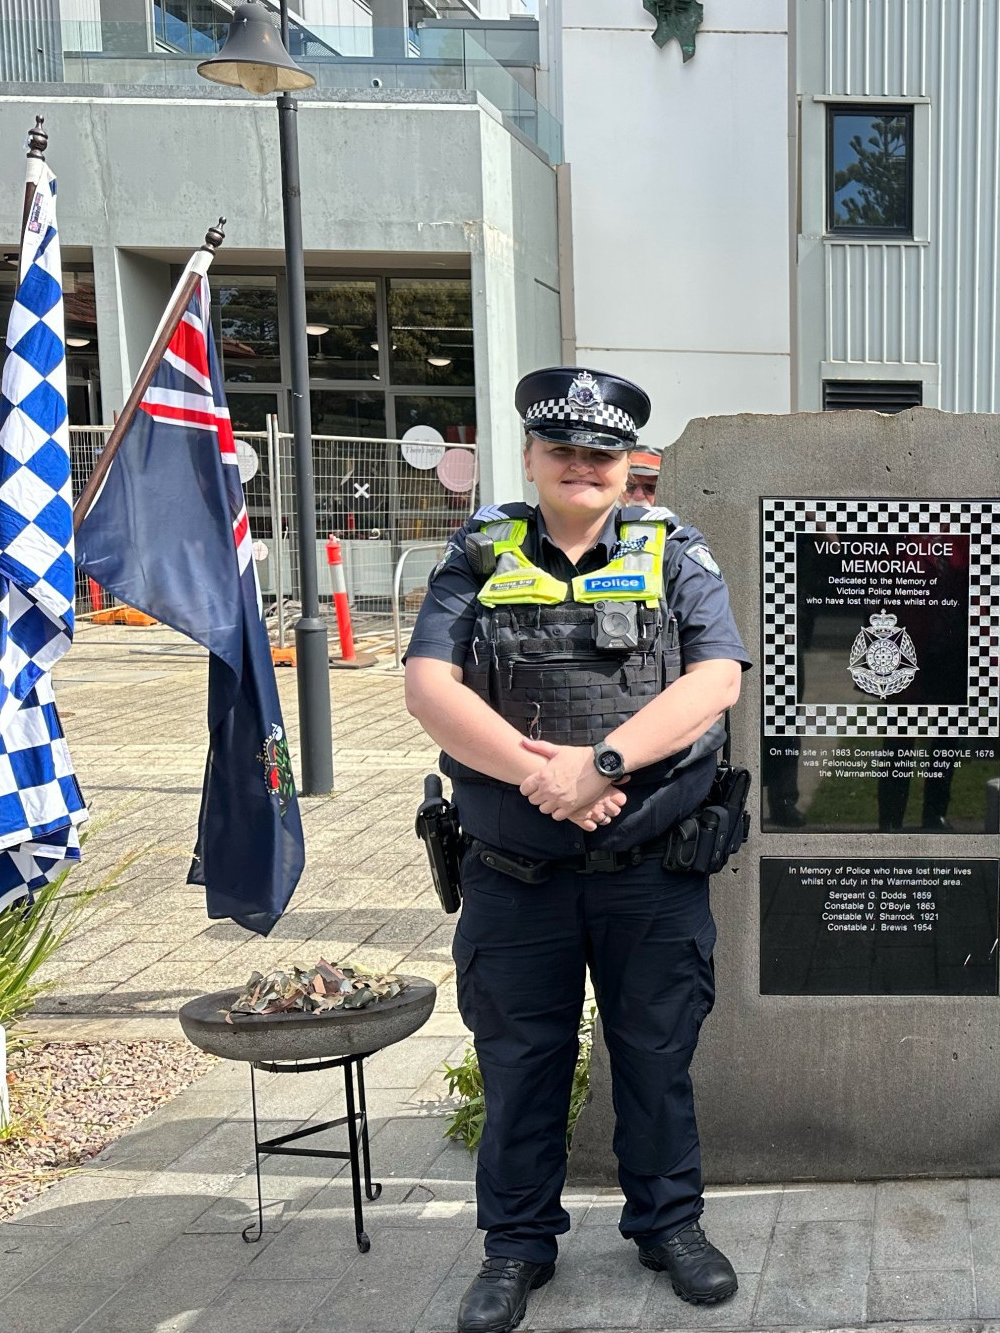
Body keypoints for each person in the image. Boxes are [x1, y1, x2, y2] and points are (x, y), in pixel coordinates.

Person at [404, 367, 750, 1333]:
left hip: (650, 871)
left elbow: (716, 678)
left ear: (626, 461)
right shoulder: (477, 555)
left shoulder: (674, 552)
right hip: (517, 876)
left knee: (656, 1059)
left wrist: (599, 765)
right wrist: (537, 774)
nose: (583, 467)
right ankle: (516, 1247)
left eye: (602, 453)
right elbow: (431, 689)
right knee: (521, 1066)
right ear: (530, 456)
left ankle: (668, 1225)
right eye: (563, 450)